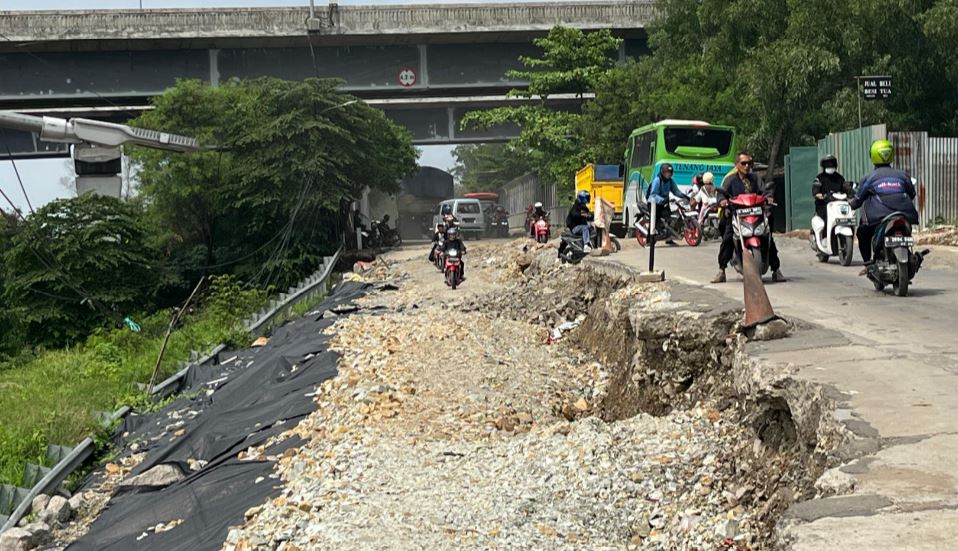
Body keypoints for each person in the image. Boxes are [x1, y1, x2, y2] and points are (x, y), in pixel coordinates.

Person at [711, 151, 787, 283]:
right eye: (743, 163)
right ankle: (721, 270)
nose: (747, 166)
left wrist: (768, 197)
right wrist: (722, 201)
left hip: (756, 214)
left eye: (749, 163)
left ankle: (776, 270)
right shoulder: (730, 180)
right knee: (728, 239)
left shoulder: (756, 178)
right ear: (737, 164)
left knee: (768, 238)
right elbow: (722, 194)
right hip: (737, 215)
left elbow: (765, 191)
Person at [848, 139, 919, 263]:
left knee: (862, 233)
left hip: (879, 218)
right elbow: (912, 193)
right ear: (891, 154)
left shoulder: (869, 178)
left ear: (873, 155)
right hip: (904, 214)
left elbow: (858, 201)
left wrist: (851, 203)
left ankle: (868, 263)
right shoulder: (903, 175)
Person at [647, 163, 689, 243]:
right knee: (654, 221)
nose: (668, 175)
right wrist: (661, 200)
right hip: (654, 203)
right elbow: (653, 194)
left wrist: (685, 196)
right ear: (662, 172)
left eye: (669, 173)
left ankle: (669, 238)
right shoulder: (657, 180)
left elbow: (676, 191)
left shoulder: (670, 181)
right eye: (666, 173)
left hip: (665, 203)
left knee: (669, 219)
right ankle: (649, 240)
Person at [812, 155, 851, 238]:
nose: (830, 166)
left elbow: (845, 188)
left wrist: (851, 192)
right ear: (823, 165)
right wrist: (821, 196)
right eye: (828, 164)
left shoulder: (840, 178)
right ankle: (825, 237)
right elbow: (816, 192)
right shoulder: (819, 178)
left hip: (838, 205)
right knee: (827, 217)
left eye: (832, 163)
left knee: (848, 217)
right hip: (824, 205)